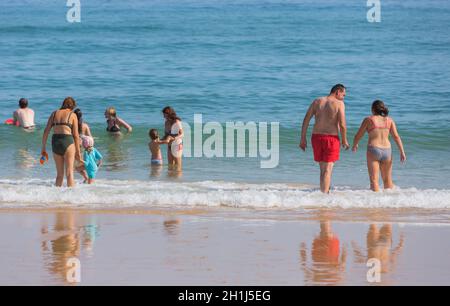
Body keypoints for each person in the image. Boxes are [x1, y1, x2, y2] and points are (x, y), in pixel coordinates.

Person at [299, 84, 350, 193]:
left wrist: (303, 138)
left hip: (316, 138)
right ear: (338, 92)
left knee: (323, 169)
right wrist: (344, 139)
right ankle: (324, 197)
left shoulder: (317, 101)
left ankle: (324, 192)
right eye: (343, 95)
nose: (343, 97)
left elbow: (306, 120)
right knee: (327, 169)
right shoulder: (339, 104)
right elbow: (342, 124)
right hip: (331, 138)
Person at [352, 100, 406, 191]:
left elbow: (358, 135)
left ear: (373, 109)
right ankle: (388, 202)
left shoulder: (369, 120)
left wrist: (355, 144)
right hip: (387, 150)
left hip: (374, 149)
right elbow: (396, 137)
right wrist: (402, 152)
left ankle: (376, 203)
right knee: (388, 180)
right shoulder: (389, 120)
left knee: (374, 181)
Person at [41, 97, 84, 187]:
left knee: (59, 175)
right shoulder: (72, 115)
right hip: (67, 141)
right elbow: (76, 135)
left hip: (55, 142)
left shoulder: (54, 113)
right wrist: (78, 153)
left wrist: (43, 148)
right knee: (69, 173)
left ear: (63, 104)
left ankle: (57, 197)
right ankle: (71, 197)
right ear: (73, 106)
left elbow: (46, 131)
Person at [162, 106, 183, 171]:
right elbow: (166, 135)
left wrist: (173, 138)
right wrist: (160, 140)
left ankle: (178, 180)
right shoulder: (166, 123)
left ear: (169, 113)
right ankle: (171, 180)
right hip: (169, 146)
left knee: (178, 166)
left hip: (177, 145)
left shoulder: (176, 122)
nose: (163, 116)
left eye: (164, 114)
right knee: (170, 165)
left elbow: (182, 134)